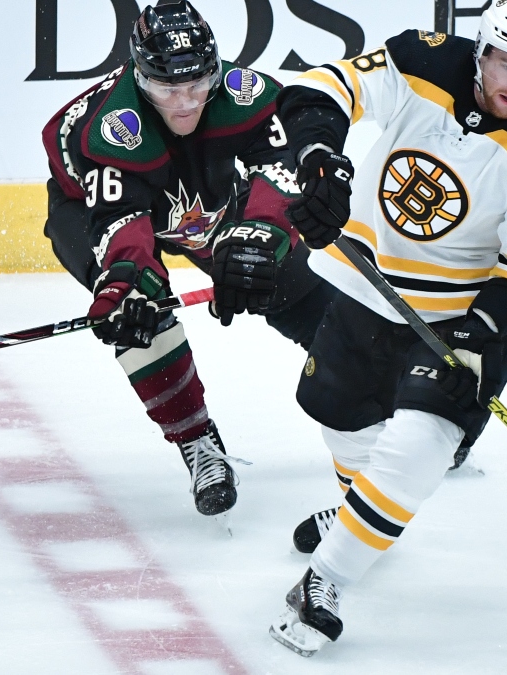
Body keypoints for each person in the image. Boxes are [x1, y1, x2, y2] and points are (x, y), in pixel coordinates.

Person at [267, 0, 507, 655]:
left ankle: (324, 579)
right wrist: (320, 160)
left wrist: (480, 332)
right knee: (339, 417)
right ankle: (358, 516)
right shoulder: (421, 61)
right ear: (482, 51)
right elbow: (321, 88)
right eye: (506, 63)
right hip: (367, 287)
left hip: (460, 325)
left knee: (417, 448)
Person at [40, 0, 337, 518]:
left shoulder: (243, 93)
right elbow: (122, 224)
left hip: (202, 187)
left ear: (215, 71)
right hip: (90, 205)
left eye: (198, 85)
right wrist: (125, 282)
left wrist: (262, 237)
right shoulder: (113, 127)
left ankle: (395, 402)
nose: (184, 103)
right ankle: (196, 440)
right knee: (138, 311)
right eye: (166, 89)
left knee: (287, 282)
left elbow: (282, 166)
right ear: (140, 78)